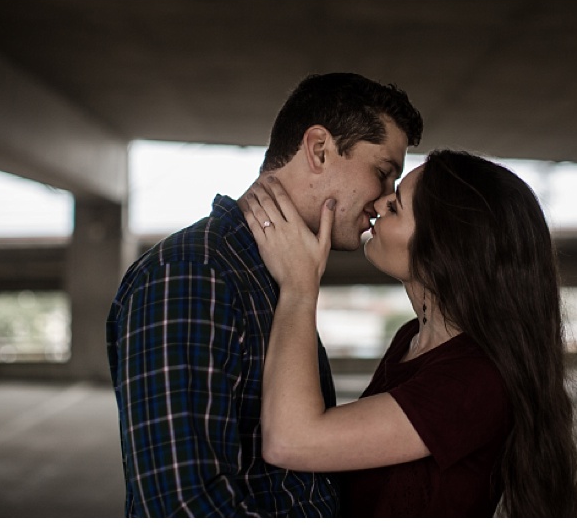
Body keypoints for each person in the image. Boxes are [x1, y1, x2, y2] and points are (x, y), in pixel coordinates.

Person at [105, 72, 423, 517]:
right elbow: (183, 506)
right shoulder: (193, 272)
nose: (385, 199)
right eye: (383, 173)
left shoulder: (281, 275)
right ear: (318, 149)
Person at [243, 149, 577, 517]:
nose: (376, 203)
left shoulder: (474, 379)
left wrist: (299, 288)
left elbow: (291, 442)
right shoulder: (412, 338)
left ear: (443, 246)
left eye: (395, 208)